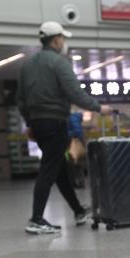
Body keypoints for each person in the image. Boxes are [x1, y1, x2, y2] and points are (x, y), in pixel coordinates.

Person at [17, 21, 111, 234]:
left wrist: (30, 123)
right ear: (56, 40)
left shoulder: (27, 65)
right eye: (63, 38)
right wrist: (98, 108)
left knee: (59, 170)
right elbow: (74, 93)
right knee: (48, 170)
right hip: (55, 122)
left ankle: (78, 210)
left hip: (39, 124)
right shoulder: (59, 62)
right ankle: (36, 219)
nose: (64, 42)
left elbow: (20, 100)